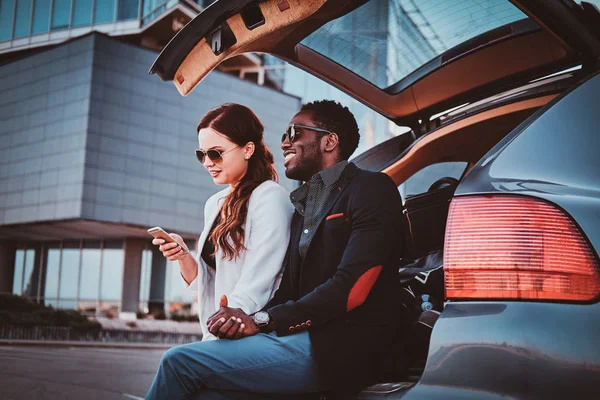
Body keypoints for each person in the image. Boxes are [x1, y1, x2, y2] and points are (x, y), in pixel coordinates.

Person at [145, 100, 411, 399]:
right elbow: (287, 290)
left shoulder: (371, 188)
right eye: (285, 134)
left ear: (330, 141)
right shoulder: (303, 208)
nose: (284, 141)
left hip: (347, 347)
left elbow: (351, 288)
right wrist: (245, 322)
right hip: (300, 339)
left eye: (295, 132)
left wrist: (260, 320)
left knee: (178, 362)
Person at [150, 103, 293, 342]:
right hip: (221, 330)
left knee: (176, 363)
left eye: (215, 153)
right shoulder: (215, 203)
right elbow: (206, 286)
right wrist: (183, 256)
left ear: (248, 149)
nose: (207, 162)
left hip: (255, 332)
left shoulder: (271, 198)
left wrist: (219, 334)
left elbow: (261, 280)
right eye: (201, 154)